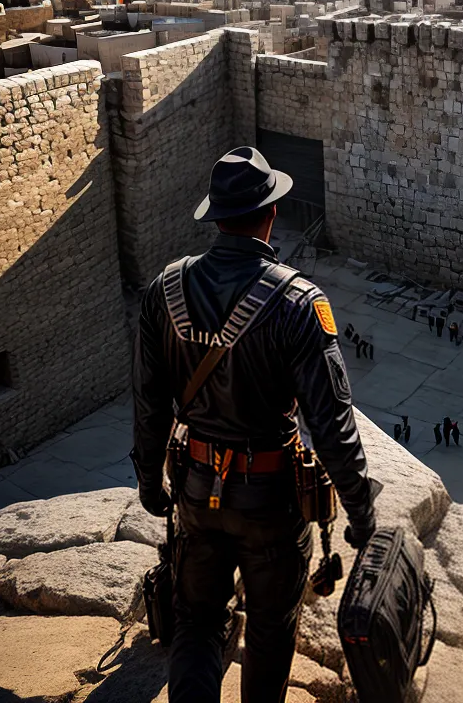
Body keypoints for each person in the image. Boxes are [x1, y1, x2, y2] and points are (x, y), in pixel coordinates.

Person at [132, 147, 377, 703]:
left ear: (216, 218)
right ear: (270, 214)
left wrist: (151, 482)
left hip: (194, 490)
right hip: (270, 501)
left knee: (195, 620)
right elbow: (332, 426)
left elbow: (148, 404)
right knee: (269, 628)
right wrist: (361, 515)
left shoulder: (163, 291)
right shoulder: (297, 302)